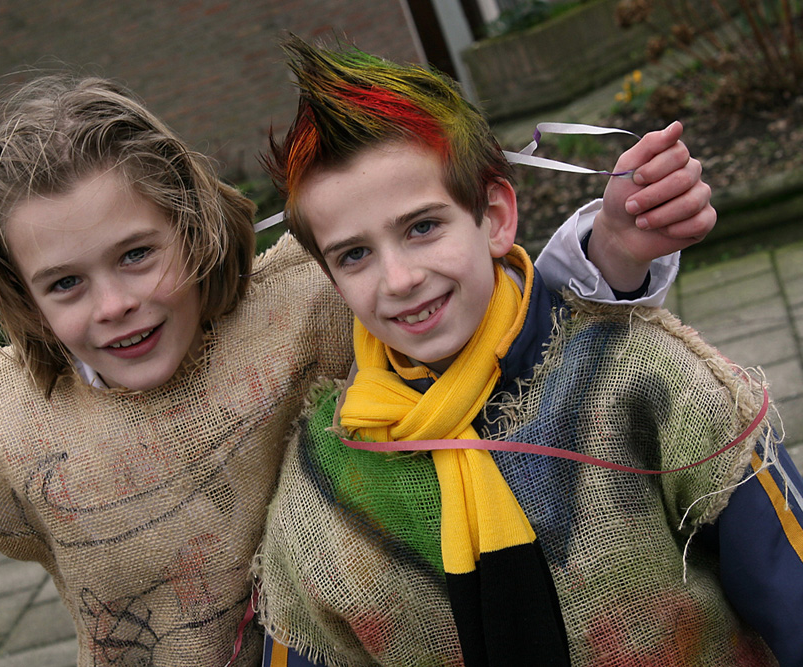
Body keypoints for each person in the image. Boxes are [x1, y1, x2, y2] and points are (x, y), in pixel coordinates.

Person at [0, 72, 714, 667]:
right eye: (66, 283)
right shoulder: (10, 423)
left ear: (191, 226)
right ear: (25, 299)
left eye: (136, 255)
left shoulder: (300, 306)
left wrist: (615, 245)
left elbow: (492, 319)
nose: (114, 303)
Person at [255, 37, 803, 667]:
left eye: (422, 227)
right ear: (331, 279)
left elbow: (788, 585)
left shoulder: (646, 382)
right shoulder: (323, 490)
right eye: (355, 255)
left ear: (493, 217)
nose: (399, 279)